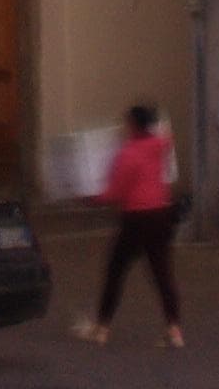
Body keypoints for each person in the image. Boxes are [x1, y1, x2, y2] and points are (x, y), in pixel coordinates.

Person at [76, 103, 184, 346]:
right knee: (162, 273)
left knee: (116, 271)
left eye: (127, 122)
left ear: (133, 125)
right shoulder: (161, 145)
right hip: (161, 215)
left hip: (136, 218)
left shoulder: (127, 154)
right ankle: (174, 330)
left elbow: (114, 193)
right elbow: (165, 136)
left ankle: (102, 328)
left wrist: (90, 199)